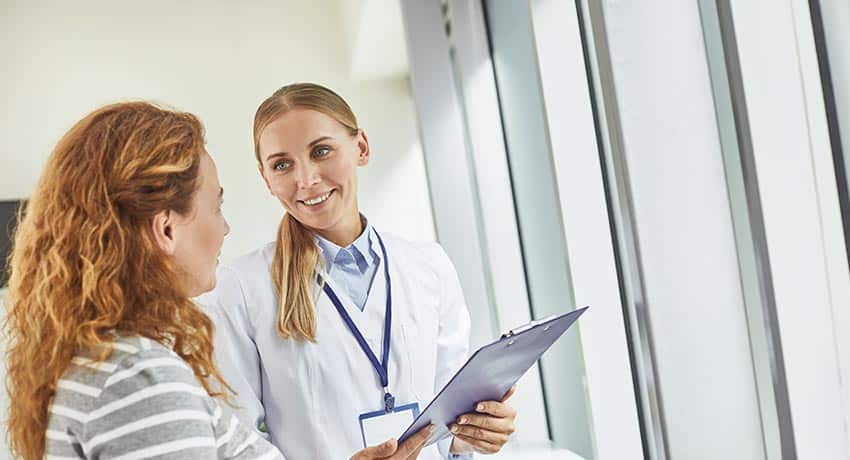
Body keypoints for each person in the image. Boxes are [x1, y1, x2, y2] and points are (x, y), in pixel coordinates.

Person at [4, 101, 431, 459]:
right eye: (215, 207)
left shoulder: (117, 364)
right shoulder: (138, 378)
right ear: (167, 229)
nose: (224, 229)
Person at [201, 83, 517, 459]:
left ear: (361, 148)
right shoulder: (239, 289)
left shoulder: (428, 265)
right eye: (282, 164)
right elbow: (236, 443)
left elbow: (449, 426)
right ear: (266, 178)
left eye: (321, 151)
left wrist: (474, 436)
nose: (306, 180)